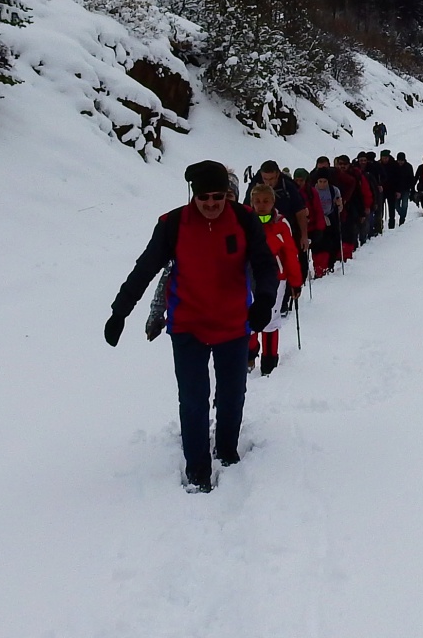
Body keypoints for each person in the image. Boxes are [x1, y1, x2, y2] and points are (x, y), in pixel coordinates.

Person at [105, 161, 279, 493]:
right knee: (194, 398)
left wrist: (264, 300)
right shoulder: (173, 225)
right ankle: (197, 467)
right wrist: (120, 312)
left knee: (231, 394)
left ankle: (226, 451)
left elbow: (265, 264)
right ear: (193, 196)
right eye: (204, 197)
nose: (212, 204)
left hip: (233, 324)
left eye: (218, 196)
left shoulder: (243, 220)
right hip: (189, 325)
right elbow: (145, 269)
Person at [247, 183, 303, 376]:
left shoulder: (281, 223)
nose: (261, 205)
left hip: (276, 279)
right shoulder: (245, 221)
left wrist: (296, 282)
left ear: (273, 202)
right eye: (257, 201)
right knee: (248, 316)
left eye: (265, 201)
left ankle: (269, 361)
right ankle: (249, 354)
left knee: (270, 318)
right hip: (249, 277)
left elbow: (290, 254)